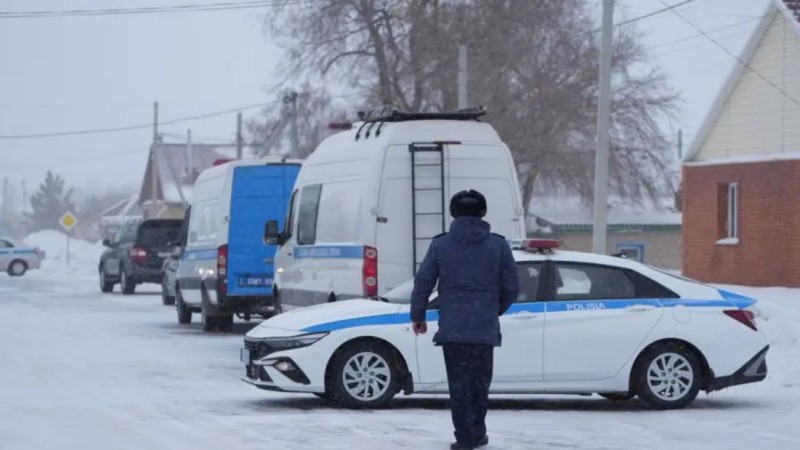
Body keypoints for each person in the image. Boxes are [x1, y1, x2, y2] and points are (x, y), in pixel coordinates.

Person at [410, 189, 520, 450]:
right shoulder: (498, 245)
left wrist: (418, 315)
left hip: (453, 329)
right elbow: (512, 287)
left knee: (459, 386)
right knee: (480, 385)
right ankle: (478, 432)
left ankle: (465, 437)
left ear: (453, 212)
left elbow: (423, 283)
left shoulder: (440, 245)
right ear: (483, 211)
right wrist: (494, 309)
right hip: (484, 329)